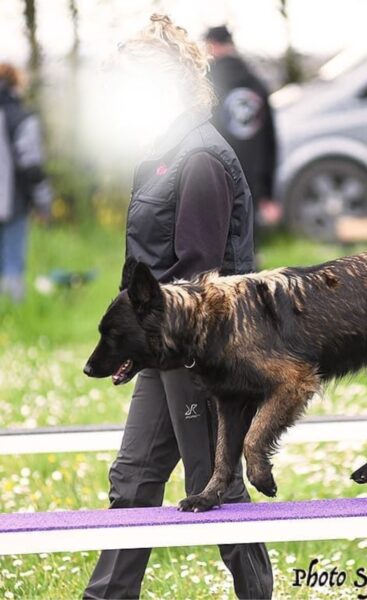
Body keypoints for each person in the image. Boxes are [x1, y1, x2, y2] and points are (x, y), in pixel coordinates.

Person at [83, 15, 273, 600]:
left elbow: (199, 276)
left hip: (199, 354)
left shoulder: (199, 159)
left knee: (213, 484)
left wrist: (147, 343)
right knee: (134, 479)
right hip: (160, 351)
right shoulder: (164, 154)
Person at [204, 25, 281, 234]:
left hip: (213, 174)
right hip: (251, 178)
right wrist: (269, 192)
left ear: (212, 46)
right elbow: (270, 140)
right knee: (248, 240)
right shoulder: (256, 83)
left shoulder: (204, 85)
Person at [0, 63, 52, 302]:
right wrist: (44, 203)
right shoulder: (22, 117)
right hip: (11, 203)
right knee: (13, 262)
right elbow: (31, 165)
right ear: (16, 83)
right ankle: (11, 316)